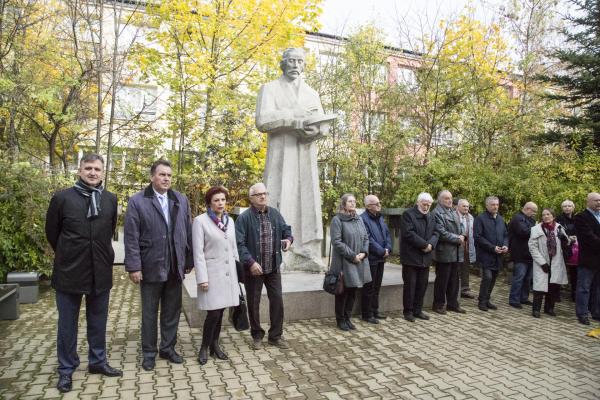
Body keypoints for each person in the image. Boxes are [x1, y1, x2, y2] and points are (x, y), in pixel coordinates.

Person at [45, 154, 122, 393]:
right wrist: (68, 253)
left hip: (100, 271)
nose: (92, 172)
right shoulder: (62, 198)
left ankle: (98, 362)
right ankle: (66, 369)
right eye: (88, 168)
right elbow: (52, 232)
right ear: (79, 170)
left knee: (98, 322)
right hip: (69, 271)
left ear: (103, 172)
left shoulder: (110, 199)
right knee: (67, 325)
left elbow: (109, 231)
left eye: (97, 169)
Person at [255, 47, 331, 271]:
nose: (296, 65)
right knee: (280, 195)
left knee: (307, 200)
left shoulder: (311, 92)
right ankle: (278, 252)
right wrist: (291, 120)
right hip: (281, 152)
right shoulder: (269, 89)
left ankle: (307, 251)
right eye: (291, 61)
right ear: (283, 63)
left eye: (300, 61)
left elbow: (323, 123)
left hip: (305, 151)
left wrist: (317, 131)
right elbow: (262, 120)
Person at [124, 160, 193, 371]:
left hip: (174, 267)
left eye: (169, 175)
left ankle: (168, 348)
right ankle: (149, 353)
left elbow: (187, 231)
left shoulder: (181, 200)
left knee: (172, 311)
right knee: (150, 313)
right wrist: (134, 267)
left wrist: (188, 261)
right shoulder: (137, 201)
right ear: (152, 177)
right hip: (150, 266)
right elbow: (131, 237)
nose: (166, 179)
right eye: (162, 175)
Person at [235, 183, 293, 348]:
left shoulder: (274, 214)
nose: (263, 196)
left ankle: (275, 336)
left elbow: (286, 230)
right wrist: (251, 262)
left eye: (265, 193)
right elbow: (239, 244)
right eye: (259, 194)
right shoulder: (244, 218)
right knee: (253, 303)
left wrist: (288, 240)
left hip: (273, 267)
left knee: (277, 301)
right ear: (251, 198)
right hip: (254, 270)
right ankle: (257, 335)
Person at [192, 186, 240, 365]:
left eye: (223, 200)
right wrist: (202, 278)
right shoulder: (200, 221)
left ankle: (215, 345)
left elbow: (233, 248)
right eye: (216, 200)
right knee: (213, 313)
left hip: (228, 276)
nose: (221, 203)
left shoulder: (230, 221)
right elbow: (198, 253)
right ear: (209, 203)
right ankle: (204, 346)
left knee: (220, 312)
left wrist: (237, 272)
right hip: (212, 276)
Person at [330, 194, 372, 330]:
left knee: (353, 291)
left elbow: (366, 237)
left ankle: (348, 318)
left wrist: (363, 253)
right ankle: (340, 320)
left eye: (354, 201)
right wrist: (353, 255)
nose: (353, 203)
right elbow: (336, 242)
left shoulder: (358, 218)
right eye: (350, 201)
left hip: (359, 261)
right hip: (345, 262)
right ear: (343, 203)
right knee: (343, 292)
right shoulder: (337, 220)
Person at [400, 193, 439, 322]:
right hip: (411, 257)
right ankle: (408, 311)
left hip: (426, 257)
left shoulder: (432, 216)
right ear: (418, 202)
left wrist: (431, 245)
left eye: (429, 204)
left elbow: (436, 232)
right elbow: (408, 233)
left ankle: (418, 310)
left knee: (422, 285)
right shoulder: (408, 215)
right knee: (410, 286)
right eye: (424, 203)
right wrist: (424, 245)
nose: (427, 206)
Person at [528, 208, 569, 318]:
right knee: (539, 287)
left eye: (548, 214)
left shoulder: (559, 227)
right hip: (542, 261)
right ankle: (536, 309)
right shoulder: (536, 229)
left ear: (553, 216)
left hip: (556, 261)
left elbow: (566, 243)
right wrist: (542, 263)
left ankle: (549, 308)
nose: (546, 216)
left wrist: (565, 239)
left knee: (553, 286)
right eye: (543, 214)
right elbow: (532, 247)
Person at [431, 190, 466, 314]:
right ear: (440, 200)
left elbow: (460, 228)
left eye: (451, 198)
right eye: (446, 198)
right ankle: (438, 305)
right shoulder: (436, 213)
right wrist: (457, 238)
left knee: (454, 280)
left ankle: (452, 304)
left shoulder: (452, 211)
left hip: (455, 252)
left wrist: (461, 235)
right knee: (442, 280)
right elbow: (441, 233)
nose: (450, 200)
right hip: (444, 252)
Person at [360, 194, 392, 323]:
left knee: (377, 286)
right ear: (368, 206)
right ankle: (367, 314)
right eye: (376, 203)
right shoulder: (363, 219)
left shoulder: (380, 217)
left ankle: (374, 310)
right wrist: (381, 251)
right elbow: (367, 238)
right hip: (371, 258)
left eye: (379, 203)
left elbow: (387, 234)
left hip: (381, 258)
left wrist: (388, 248)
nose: (379, 205)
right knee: (369, 287)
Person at [474, 196, 509, 311]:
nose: (495, 207)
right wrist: (492, 247)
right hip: (485, 254)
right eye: (493, 204)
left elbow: (505, 235)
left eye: (497, 204)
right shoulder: (480, 218)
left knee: (494, 278)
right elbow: (478, 237)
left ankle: (487, 299)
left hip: (498, 255)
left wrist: (505, 245)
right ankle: (481, 301)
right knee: (487, 277)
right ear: (487, 206)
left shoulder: (500, 219)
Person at [574, 192, 600, 325]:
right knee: (584, 287)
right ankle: (582, 314)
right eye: (596, 200)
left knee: (597, 288)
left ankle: (596, 312)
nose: (599, 202)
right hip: (588, 259)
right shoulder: (581, 217)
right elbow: (588, 237)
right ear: (588, 202)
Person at [508, 202, 538, 308]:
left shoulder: (531, 220)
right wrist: (537, 228)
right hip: (520, 253)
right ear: (527, 209)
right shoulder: (518, 218)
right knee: (519, 277)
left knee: (527, 278)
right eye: (534, 211)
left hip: (529, 254)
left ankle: (524, 298)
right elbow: (523, 232)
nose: (535, 213)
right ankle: (514, 299)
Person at [556, 200, 578, 301]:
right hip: (562, 248)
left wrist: (576, 237)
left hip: (576, 249)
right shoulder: (558, 219)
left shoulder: (577, 219)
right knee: (560, 271)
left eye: (569, 206)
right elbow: (557, 233)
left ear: (573, 208)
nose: (567, 208)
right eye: (565, 206)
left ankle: (574, 295)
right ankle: (556, 295)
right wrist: (569, 237)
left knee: (575, 273)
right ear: (562, 208)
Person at [456, 199, 476, 299]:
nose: (466, 208)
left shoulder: (471, 217)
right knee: (456, 269)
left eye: (467, 206)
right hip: (456, 247)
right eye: (464, 206)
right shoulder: (454, 215)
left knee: (465, 269)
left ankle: (465, 289)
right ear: (458, 206)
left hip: (467, 247)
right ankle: (455, 290)